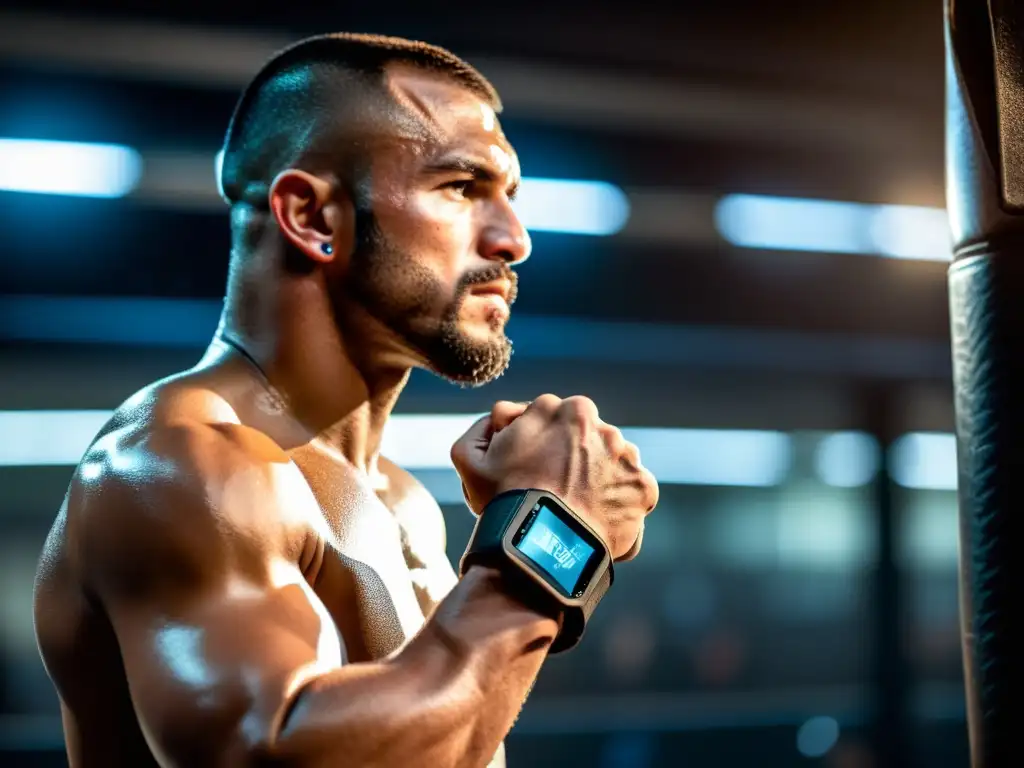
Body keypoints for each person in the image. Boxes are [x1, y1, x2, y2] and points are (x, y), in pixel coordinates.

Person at [33, 32, 659, 768]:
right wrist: (551, 535)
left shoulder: (403, 502)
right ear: (314, 217)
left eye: (510, 198)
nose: (514, 238)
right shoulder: (178, 462)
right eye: (462, 187)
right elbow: (268, 753)